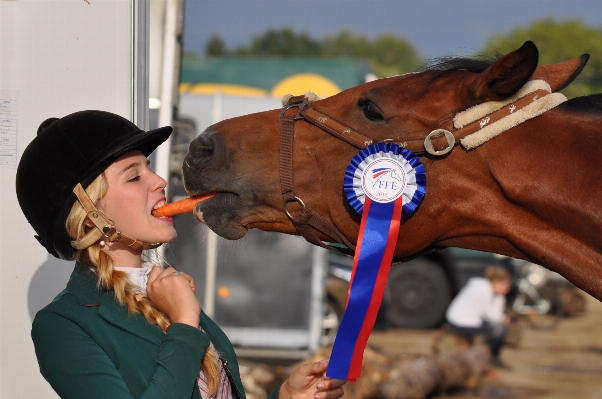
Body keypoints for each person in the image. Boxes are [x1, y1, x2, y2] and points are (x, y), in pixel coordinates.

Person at [16, 110, 346, 399]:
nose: (159, 181)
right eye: (134, 176)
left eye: (149, 169)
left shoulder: (164, 286)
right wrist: (185, 324)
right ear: (91, 217)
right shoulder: (62, 325)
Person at [445, 266, 513, 368]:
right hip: (458, 321)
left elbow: (494, 314)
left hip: (467, 320)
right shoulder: (482, 290)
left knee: (497, 327)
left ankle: (487, 356)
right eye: (504, 284)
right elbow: (491, 316)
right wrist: (504, 319)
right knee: (499, 329)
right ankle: (492, 358)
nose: (507, 288)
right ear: (495, 281)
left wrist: (501, 302)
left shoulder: (494, 293)